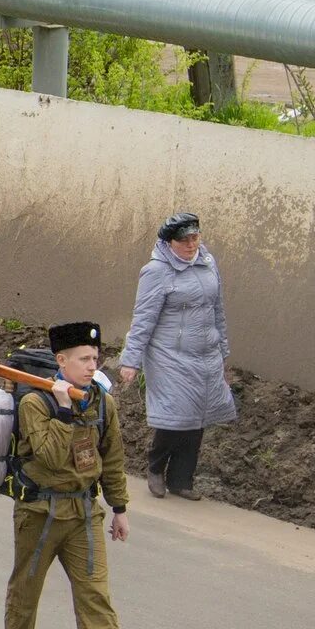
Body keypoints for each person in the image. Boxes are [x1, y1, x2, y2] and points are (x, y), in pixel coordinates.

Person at [0, 320, 155, 629]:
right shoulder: (36, 402)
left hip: (85, 512)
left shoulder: (103, 403)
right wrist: (66, 412)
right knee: (27, 589)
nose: (91, 366)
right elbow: (51, 455)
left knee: (96, 597)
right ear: (61, 361)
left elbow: (113, 459)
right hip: (40, 512)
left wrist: (119, 508)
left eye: (95, 358)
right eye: (84, 359)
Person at [119, 212, 234, 499]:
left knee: (198, 417)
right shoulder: (156, 272)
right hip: (169, 355)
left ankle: (181, 480)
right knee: (175, 416)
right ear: (169, 242)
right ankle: (156, 468)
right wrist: (131, 360)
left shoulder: (208, 263)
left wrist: (223, 350)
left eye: (195, 238)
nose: (191, 244)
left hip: (205, 353)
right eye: (184, 240)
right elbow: (143, 318)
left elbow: (217, 309)